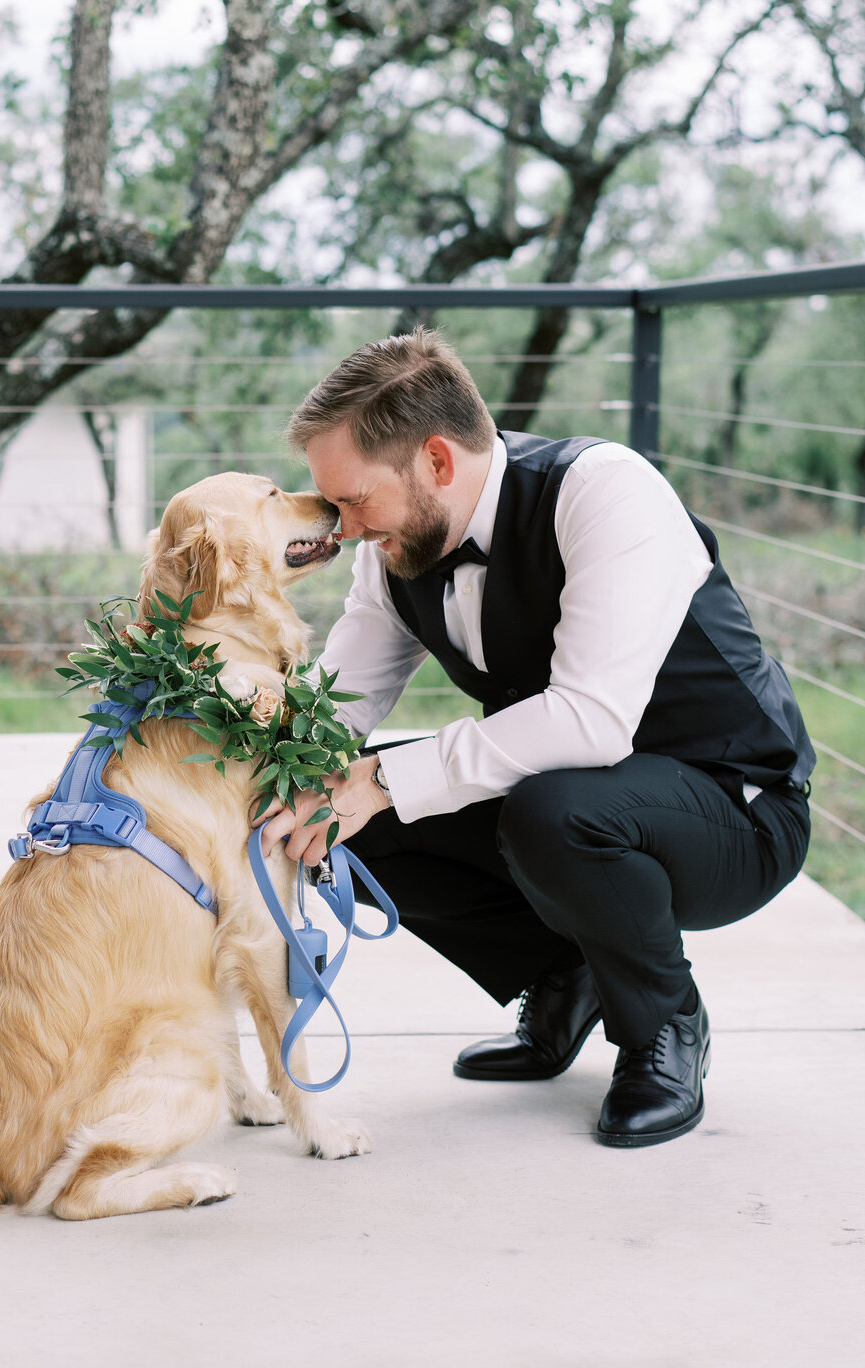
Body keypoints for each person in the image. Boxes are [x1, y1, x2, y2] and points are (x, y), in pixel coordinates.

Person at [258, 329, 813, 1148]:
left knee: (535, 808)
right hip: (581, 799)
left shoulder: (606, 492)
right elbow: (340, 704)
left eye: (351, 501)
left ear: (437, 462)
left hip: (736, 806)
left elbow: (590, 719)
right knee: (352, 821)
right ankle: (565, 972)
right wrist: (273, 772)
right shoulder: (395, 544)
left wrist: (381, 780)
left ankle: (664, 1023)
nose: (339, 530)